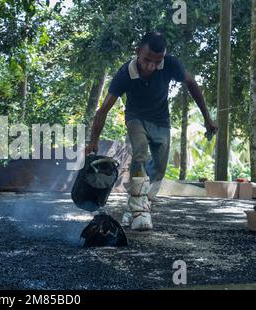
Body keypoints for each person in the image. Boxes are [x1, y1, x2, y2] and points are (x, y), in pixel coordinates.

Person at [85, 32, 218, 231]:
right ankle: (139, 211)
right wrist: (93, 141)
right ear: (138, 52)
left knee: (159, 169)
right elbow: (103, 110)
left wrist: (207, 118)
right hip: (135, 118)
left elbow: (191, 84)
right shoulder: (124, 74)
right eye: (147, 60)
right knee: (140, 151)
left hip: (161, 121)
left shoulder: (171, 64)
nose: (151, 66)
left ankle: (134, 205)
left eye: (157, 62)